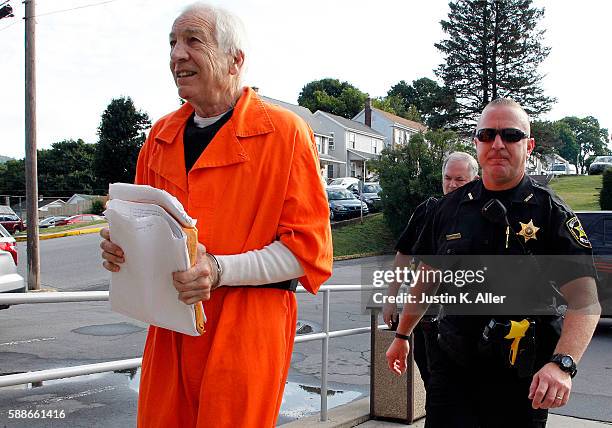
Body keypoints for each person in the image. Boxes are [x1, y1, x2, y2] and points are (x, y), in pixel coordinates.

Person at [99, 3, 332, 427]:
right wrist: (121, 250)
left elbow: (307, 255)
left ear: (235, 60)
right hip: (170, 328)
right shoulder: (159, 137)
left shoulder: (285, 133)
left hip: (246, 331)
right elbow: (141, 228)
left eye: (192, 41)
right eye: (172, 43)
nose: (176, 54)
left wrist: (219, 269)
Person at [385, 98, 601, 427]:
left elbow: (586, 301)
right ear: (476, 143)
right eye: (487, 135)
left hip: (520, 376)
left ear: (528, 146)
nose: (497, 144)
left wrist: (563, 364)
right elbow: (426, 281)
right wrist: (401, 337)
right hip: (452, 369)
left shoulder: (550, 212)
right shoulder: (447, 209)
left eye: (510, 135)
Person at [383, 151, 479, 387]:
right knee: (433, 385)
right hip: (426, 318)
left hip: (466, 320)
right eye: (447, 178)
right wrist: (391, 297)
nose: (452, 184)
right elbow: (404, 253)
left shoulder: (482, 214)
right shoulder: (428, 209)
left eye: (459, 179)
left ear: (474, 181)